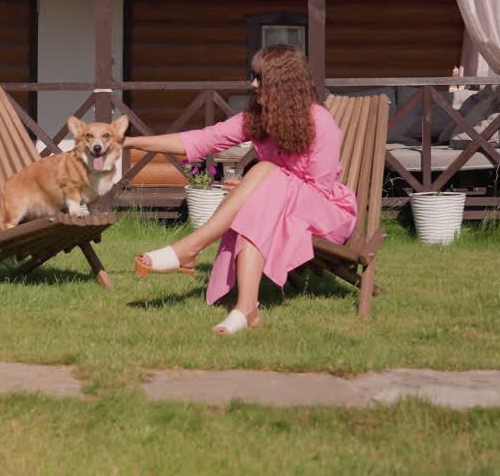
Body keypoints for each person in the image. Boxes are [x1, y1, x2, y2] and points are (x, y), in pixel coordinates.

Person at [126, 45, 357, 334]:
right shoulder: (260, 118)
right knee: (256, 207)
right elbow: (202, 140)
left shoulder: (320, 122)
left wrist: (267, 186)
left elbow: (319, 190)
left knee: (263, 171)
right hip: (284, 205)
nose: (253, 84)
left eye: (261, 78)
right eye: (254, 76)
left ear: (284, 83)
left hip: (326, 216)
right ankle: (246, 309)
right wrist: (131, 142)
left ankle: (191, 247)